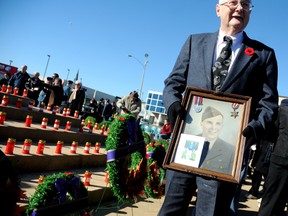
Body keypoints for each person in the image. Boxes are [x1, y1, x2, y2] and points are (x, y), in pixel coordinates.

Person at [158, 1, 279, 215]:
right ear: (218, 9)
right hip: (186, 145)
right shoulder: (194, 42)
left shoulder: (263, 55)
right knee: (171, 209)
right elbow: (173, 83)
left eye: (246, 4)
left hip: (225, 154)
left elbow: (268, 105)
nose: (240, 8)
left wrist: (253, 129)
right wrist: (174, 106)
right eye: (233, 2)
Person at [258, 99, 288, 216]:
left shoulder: (282, 111)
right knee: (278, 201)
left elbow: (271, 134)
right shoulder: (283, 111)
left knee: (271, 200)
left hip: (280, 159)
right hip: (280, 160)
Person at [198, 106, 235, 174]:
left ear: (222, 126)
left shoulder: (231, 150)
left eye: (218, 123)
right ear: (201, 124)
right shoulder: (188, 140)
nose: (213, 128)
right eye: (209, 122)